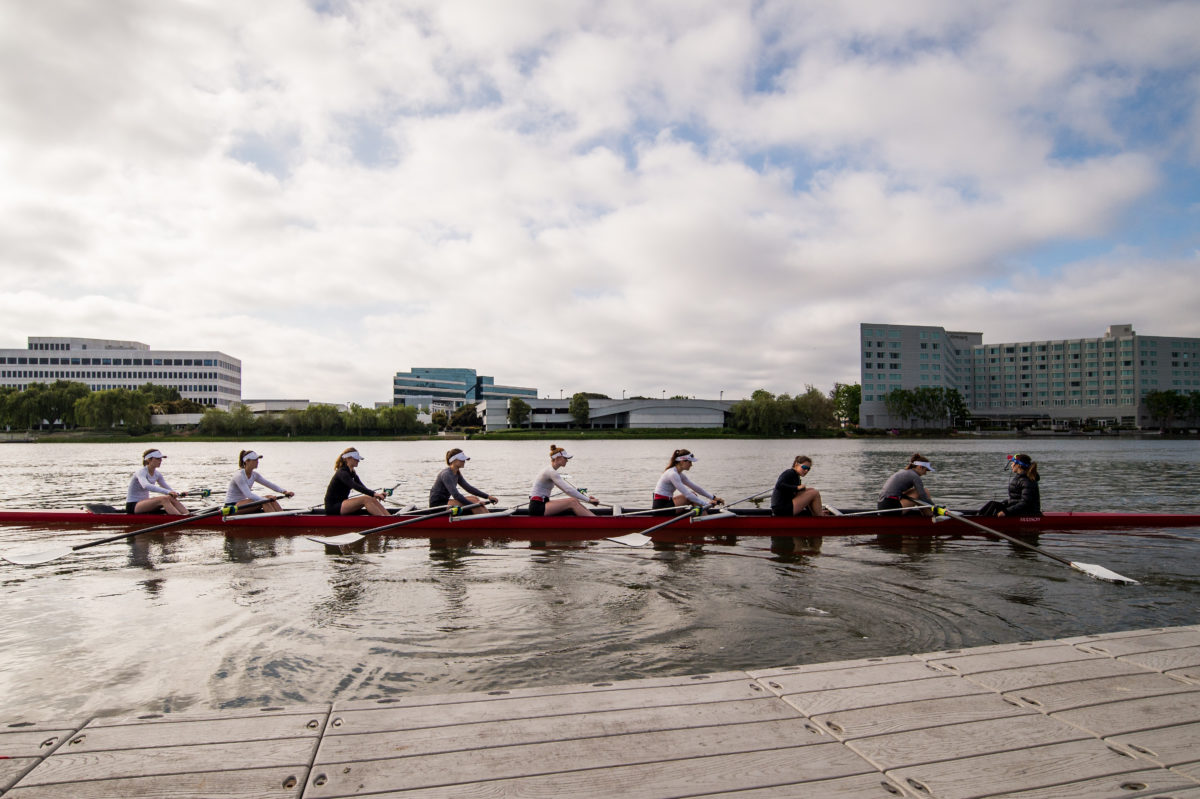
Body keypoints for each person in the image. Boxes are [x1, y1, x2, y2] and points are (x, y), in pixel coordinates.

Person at [528, 445, 600, 517]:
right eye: (565, 458)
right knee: (572, 502)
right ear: (557, 458)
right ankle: (598, 522)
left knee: (574, 501)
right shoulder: (551, 471)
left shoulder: (551, 471)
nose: (567, 460)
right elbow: (568, 490)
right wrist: (588, 500)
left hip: (542, 504)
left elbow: (570, 490)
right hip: (537, 508)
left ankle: (594, 519)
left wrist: (587, 499)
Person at [430, 448, 497, 515]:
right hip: (437, 505)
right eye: (462, 459)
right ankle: (487, 520)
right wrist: (473, 505)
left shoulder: (456, 473)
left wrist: (488, 496)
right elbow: (456, 495)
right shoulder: (446, 474)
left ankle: (487, 516)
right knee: (475, 504)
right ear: (454, 460)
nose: (464, 461)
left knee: (474, 498)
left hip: (446, 501)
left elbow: (469, 488)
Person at [652, 449, 723, 511]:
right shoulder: (672, 474)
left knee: (693, 495)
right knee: (691, 496)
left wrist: (714, 497)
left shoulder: (679, 474)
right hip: (661, 507)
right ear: (682, 461)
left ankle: (702, 519)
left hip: (667, 503)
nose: (691, 465)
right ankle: (703, 521)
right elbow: (687, 494)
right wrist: (706, 504)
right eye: (690, 462)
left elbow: (696, 488)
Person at [323, 448, 388, 516]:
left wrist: (376, 495)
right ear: (348, 458)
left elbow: (361, 486)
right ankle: (385, 521)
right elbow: (354, 486)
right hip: (333, 507)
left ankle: (389, 517)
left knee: (371, 498)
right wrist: (374, 493)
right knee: (365, 499)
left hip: (342, 504)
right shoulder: (342, 473)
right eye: (356, 459)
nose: (358, 461)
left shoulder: (352, 472)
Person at [224, 450, 294, 513]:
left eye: (257, 460)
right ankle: (275, 520)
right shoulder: (239, 476)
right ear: (247, 461)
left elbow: (269, 484)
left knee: (269, 497)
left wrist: (285, 492)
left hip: (242, 504)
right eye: (254, 460)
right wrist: (265, 499)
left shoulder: (254, 475)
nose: (257, 462)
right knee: (265, 500)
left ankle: (282, 517)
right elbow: (249, 495)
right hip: (232, 507)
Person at [126, 449, 189, 515]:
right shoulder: (141, 472)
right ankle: (179, 519)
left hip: (144, 504)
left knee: (170, 497)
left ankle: (188, 515)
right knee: (163, 499)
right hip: (133, 506)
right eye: (157, 459)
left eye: (161, 459)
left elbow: (167, 488)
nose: (160, 461)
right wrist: (168, 492)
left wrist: (177, 493)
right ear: (149, 460)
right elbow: (146, 486)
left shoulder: (157, 474)